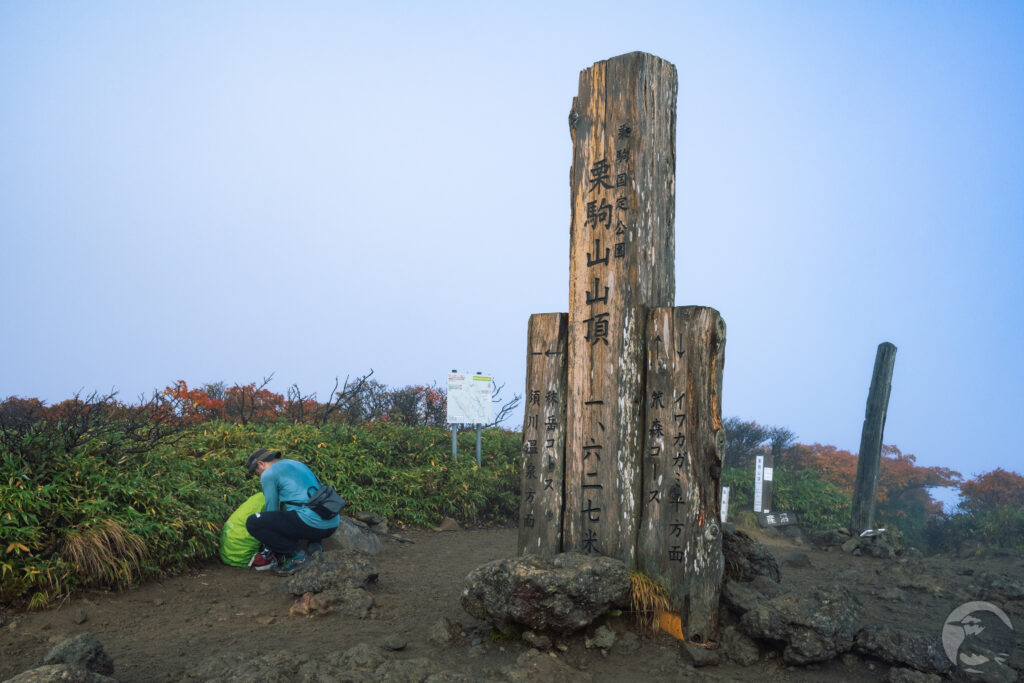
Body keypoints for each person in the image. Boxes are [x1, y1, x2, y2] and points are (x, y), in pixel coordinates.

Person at [244, 448, 340, 574]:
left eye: (257, 472)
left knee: (253, 522)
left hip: (311, 524)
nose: (259, 475)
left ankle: (298, 557)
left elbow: (271, 509)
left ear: (261, 464)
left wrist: (268, 545)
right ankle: (315, 547)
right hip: (332, 522)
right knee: (304, 510)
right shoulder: (297, 464)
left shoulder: (268, 474)